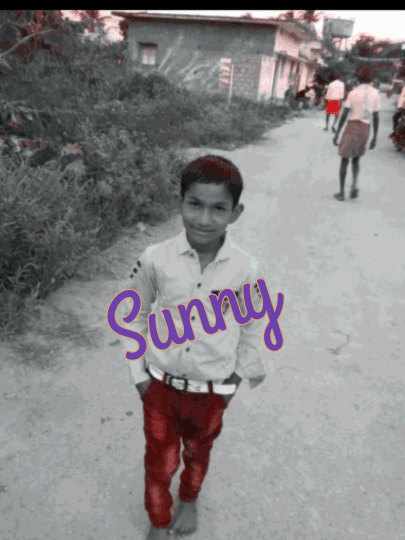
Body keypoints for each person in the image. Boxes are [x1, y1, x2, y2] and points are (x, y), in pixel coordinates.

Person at [120, 156, 271, 539]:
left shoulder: (246, 269)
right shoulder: (155, 259)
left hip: (212, 391)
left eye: (218, 208)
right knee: (159, 461)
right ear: (181, 202)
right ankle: (158, 520)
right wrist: (139, 376)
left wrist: (235, 380)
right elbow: (133, 316)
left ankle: (189, 499)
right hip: (159, 388)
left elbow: (254, 327)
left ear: (235, 213)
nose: (204, 219)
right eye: (195, 204)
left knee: (197, 453)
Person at [332, 68, 381, 201]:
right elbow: (376, 117)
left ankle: (342, 193)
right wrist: (375, 137)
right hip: (365, 128)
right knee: (356, 158)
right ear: (371, 79)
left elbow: (344, 114)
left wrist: (337, 133)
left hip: (352, 125)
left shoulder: (353, 93)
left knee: (344, 159)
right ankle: (354, 184)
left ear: (358, 79)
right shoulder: (376, 94)